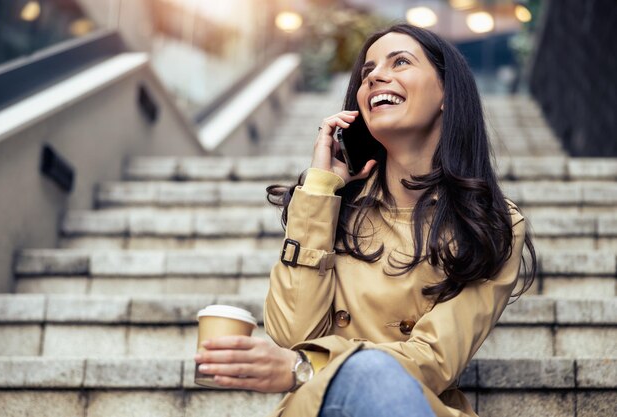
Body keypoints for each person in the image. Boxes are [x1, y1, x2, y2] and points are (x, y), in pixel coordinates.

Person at [193, 23, 536, 417]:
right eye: (367, 71)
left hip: (411, 404)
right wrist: (321, 190)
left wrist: (310, 366)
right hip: (320, 408)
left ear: (446, 93)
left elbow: (434, 360)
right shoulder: (333, 205)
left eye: (400, 62)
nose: (374, 76)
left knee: (374, 372)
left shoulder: (490, 221)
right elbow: (293, 336)